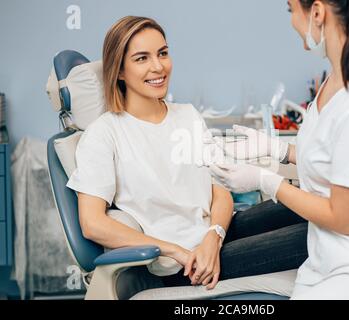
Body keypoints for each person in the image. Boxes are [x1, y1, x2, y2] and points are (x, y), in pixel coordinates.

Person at [66, 16, 308, 299]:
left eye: (163, 53)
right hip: (180, 264)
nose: (158, 66)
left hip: (214, 235)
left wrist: (214, 235)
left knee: (309, 201)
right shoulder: (104, 133)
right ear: (119, 70)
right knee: (314, 236)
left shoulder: (187, 115)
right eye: (142, 58)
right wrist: (176, 251)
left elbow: (220, 190)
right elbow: (92, 223)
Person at [210, 0, 349, 299]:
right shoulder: (337, 80)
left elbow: (344, 218)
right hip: (332, 258)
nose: (290, 21)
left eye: (290, 9)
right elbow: (336, 162)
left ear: (317, 12)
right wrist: (280, 151)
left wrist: (267, 181)